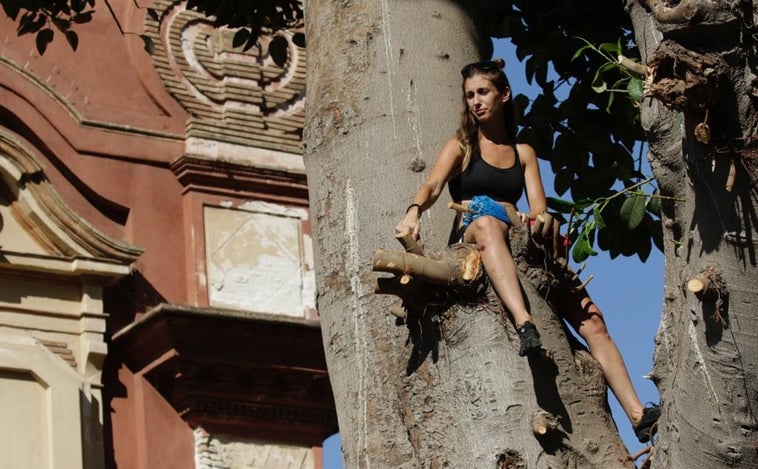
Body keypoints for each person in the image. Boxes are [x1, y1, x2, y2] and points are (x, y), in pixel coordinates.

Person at [394, 59, 660, 443]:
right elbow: (434, 185)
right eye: (469, 95)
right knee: (486, 223)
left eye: (482, 92)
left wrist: (535, 220)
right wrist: (414, 211)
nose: (475, 101)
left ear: (503, 95)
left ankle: (638, 415)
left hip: (521, 241)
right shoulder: (462, 146)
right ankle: (524, 323)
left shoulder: (523, 153)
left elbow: (539, 209)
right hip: (476, 233)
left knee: (594, 321)